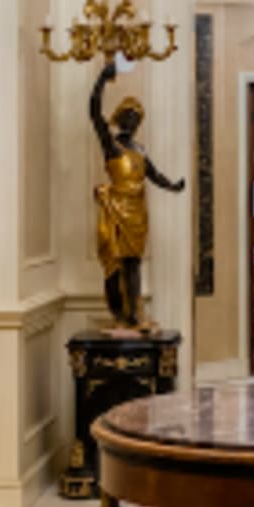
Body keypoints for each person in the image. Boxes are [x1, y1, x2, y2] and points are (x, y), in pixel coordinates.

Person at [89, 57, 186, 330]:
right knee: (114, 264)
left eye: (136, 118)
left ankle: (133, 313)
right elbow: (94, 114)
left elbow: (153, 174)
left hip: (137, 212)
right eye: (127, 117)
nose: (131, 121)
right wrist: (101, 81)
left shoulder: (140, 151)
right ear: (119, 119)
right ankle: (118, 312)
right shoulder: (111, 146)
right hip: (114, 208)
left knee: (134, 264)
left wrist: (173, 186)